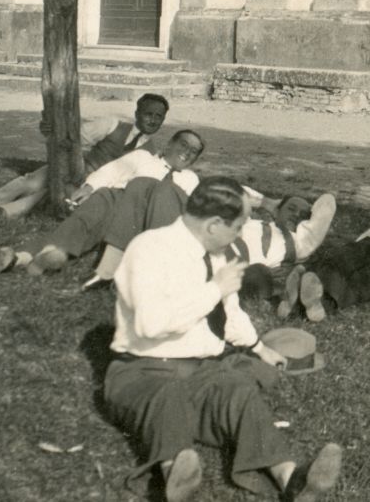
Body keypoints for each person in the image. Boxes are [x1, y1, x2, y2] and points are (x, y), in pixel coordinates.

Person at [105, 176, 343, 501]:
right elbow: (151, 324)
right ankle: (175, 473)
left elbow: (229, 314)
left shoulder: (216, 255)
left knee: (238, 392)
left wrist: (259, 347)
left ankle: (292, 479)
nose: (241, 234)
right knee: (167, 398)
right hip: (142, 371)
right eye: (239, 227)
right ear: (214, 224)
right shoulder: (150, 249)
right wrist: (214, 290)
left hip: (198, 370)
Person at [0, 129, 204, 275]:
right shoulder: (142, 158)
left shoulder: (190, 179)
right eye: (183, 145)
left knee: (155, 193)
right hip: (117, 204)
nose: (186, 152)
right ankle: (29, 257)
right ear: (169, 144)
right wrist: (89, 188)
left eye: (193, 152)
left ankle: (32, 256)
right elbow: (110, 172)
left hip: (149, 223)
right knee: (89, 213)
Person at [0, 93, 169, 222]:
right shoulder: (113, 125)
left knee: (47, 194)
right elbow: (76, 138)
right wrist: (57, 140)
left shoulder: (150, 153)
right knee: (35, 180)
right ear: (137, 113)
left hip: (93, 187)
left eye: (158, 116)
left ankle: (1, 213)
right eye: (148, 114)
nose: (152, 120)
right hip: (77, 166)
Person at [226, 193, 338, 304]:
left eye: (303, 215)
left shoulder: (300, 242)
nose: (296, 214)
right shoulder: (250, 221)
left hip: (250, 274)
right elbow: (229, 193)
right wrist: (266, 202)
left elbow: (328, 202)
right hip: (223, 255)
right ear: (276, 211)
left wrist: (311, 215)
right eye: (291, 209)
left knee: (258, 273)